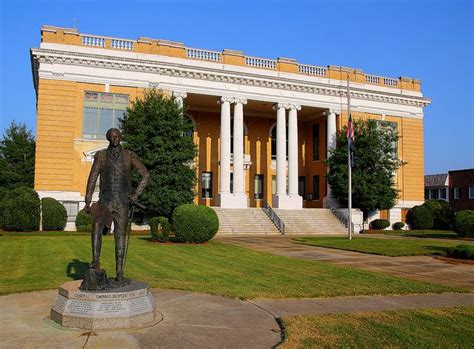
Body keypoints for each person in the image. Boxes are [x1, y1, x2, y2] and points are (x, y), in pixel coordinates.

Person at [84, 128, 149, 281]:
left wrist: (135, 194)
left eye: (117, 136)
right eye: (112, 136)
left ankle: (119, 271)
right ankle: (95, 261)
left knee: (120, 236)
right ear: (108, 138)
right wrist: (88, 199)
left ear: (120, 137)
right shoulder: (101, 156)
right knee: (96, 228)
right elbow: (92, 178)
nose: (115, 138)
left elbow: (145, 175)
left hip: (122, 203)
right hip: (104, 202)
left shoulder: (129, 156)